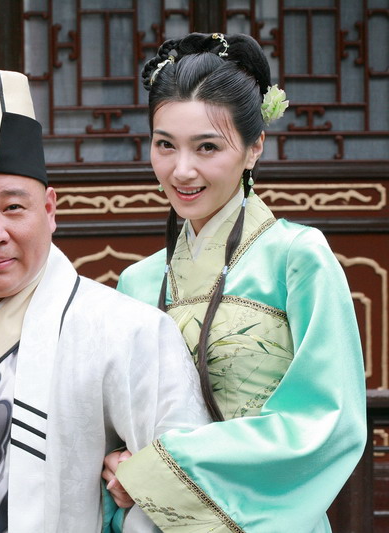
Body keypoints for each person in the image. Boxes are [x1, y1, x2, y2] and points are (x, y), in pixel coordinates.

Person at [0, 69, 210, 533]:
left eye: (14, 207)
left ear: (50, 209)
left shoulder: (123, 329)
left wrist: (138, 483)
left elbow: (184, 482)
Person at [102, 33, 367, 532]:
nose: (182, 170)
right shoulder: (137, 281)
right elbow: (111, 429)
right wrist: (115, 464)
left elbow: (326, 420)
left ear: (254, 147)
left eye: (207, 147)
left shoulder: (296, 258)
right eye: (165, 145)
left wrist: (155, 471)